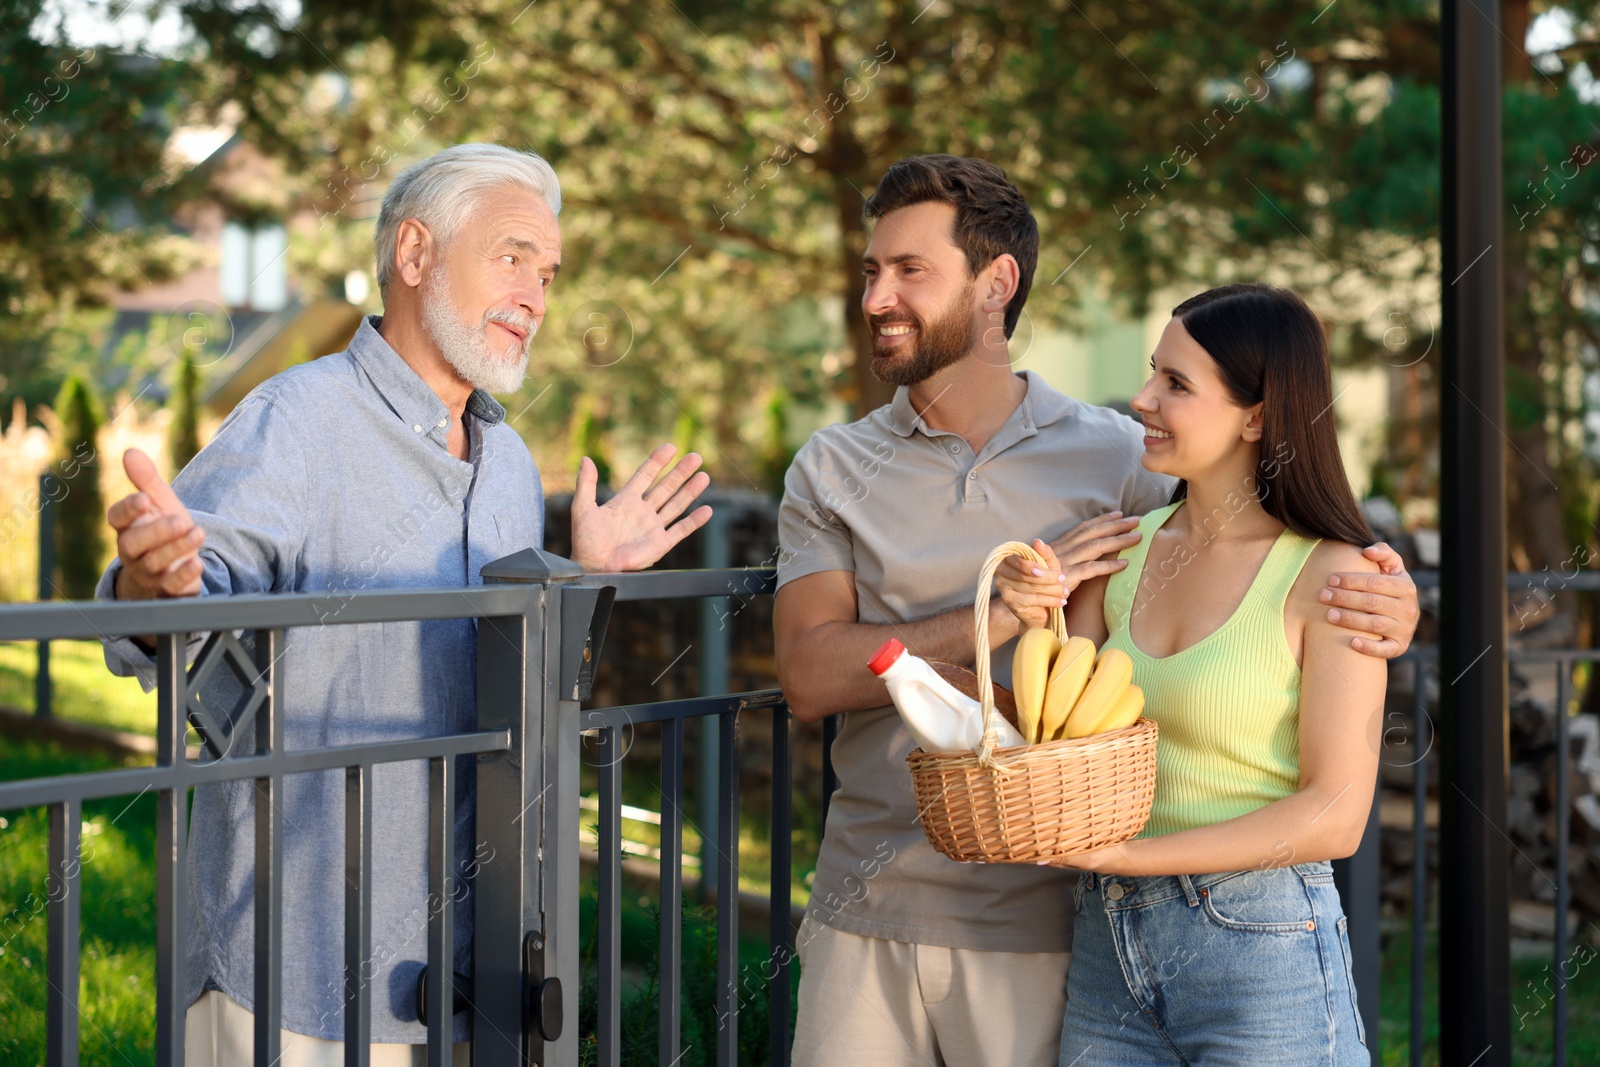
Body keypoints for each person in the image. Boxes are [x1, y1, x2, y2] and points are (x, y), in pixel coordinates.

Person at [773, 156, 1418, 1067]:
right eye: (870, 270)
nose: (876, 295)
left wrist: (1387, 598)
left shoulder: (1121, 455)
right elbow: (813, 677)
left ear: (998, 282)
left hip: (1064, 922)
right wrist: (991, 615)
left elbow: (1265, 540)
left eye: (909, 269)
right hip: (890, 908)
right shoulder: (831, 466)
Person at [96, 143, 712, 1066]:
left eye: (546, 273)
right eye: (511, 257)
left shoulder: (504, 460)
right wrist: (153, 584)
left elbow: (517, 690)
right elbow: (189, 601)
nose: (536, 295)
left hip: (469, 979)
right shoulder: (294, 418)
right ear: (414, 255)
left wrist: (579, 576)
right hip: (295, 977)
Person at [995, 282, 1384, 1065]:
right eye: (1151, 373)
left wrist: (1130, 857)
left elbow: (1336, 814)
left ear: (1258, 415)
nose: (1142, 399)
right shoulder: (1118, 551)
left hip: (1263, 951)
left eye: (1176, 383)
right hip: (1109, 946)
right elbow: (1049, 742)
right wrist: (1024, 616)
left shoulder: (1332, 577)